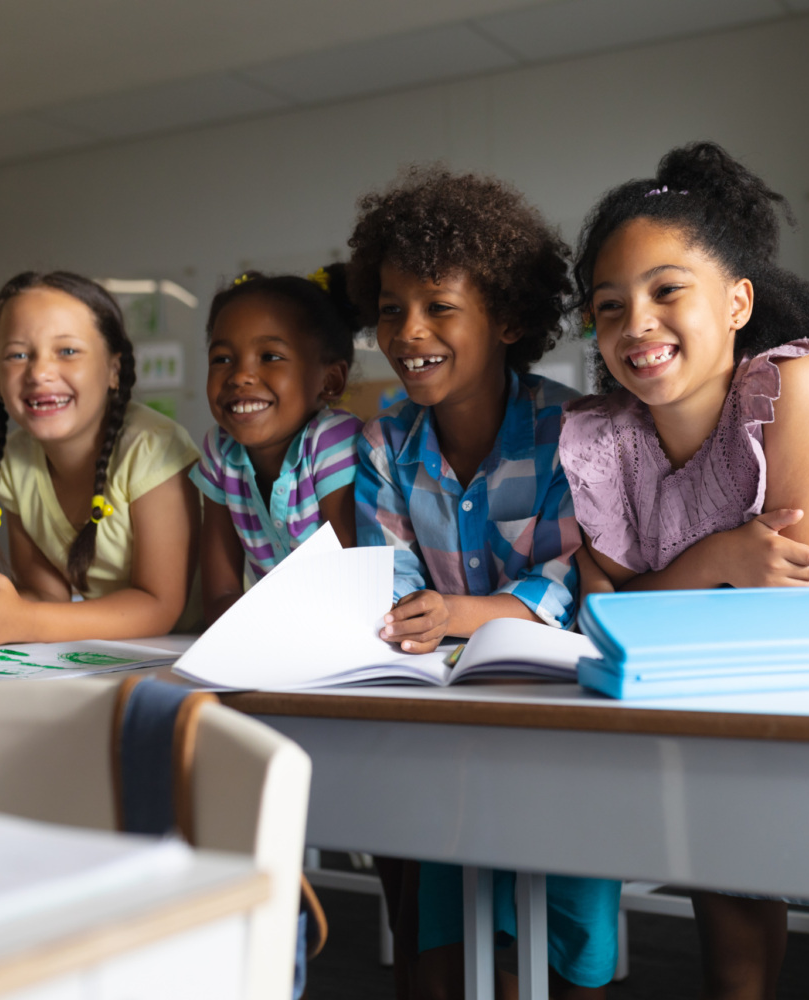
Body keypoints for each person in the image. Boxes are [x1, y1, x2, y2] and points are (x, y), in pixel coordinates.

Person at [559, 141, 809, 1000]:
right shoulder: (603, 438)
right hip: (711, 723)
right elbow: (607, 621)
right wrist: (724, 558)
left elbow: (798, 604)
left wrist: (657, 595)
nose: (637, 325)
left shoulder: (793, 386)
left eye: (668, 291)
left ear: (737, 302)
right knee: (734, 976)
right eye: (610, 305)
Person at [349, 166, 621, 1000]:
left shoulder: (570, 430)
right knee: (442, 941)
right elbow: (387, 585)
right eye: (391, 308)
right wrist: (424, 617)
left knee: (562, 941)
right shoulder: (384, 442)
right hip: (440, 726)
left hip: (559, 727)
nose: (408, 331)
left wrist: (456, 612)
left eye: (439, 306)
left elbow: (564, 586)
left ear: (507, 318)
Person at [0, 271, 200, 645]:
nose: (40, 372)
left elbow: (159, 605)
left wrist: (24, 620)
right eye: (18, 354)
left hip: (192, 654)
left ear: (114, 368)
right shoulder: (13, 461)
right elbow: (45, 596)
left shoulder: (153, 447)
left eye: (68, 351)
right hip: (114, 658)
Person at [190, 265, 362, 625]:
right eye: (222, 359)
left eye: (270, 357)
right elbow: (219, 597)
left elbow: (354, 588)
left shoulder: (333, 442)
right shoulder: (220, 452)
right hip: (276, 643)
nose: (239, 376)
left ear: (330, 380)